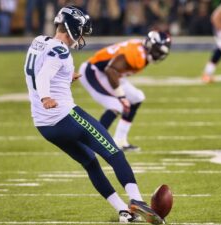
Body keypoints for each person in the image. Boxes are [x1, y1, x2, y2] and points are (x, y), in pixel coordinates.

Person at [23, 5, 164, 224]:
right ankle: (136, 199)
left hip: (44, 126)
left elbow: (36, 70)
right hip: (65, 116)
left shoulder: (39, 41)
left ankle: (122, 211)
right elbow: (43, 77)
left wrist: (65, 77)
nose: (80, 37)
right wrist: (46, 97)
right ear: (72, 27)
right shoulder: (61, 50)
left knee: (90, 163)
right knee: (114, 153)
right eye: (80, 31)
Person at [78, 31, 171, 151]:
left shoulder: (141, 50)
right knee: (116, 105)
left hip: (109, 73)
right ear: (150, 44)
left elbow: (114, 71)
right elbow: (110, 70)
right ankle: (92, 143)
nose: (158, 55)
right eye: (157, 50)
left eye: (161, 53)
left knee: (137, 97)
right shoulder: (137, 54)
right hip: (93, 71)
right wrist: (121, 97)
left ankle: (120, 141)